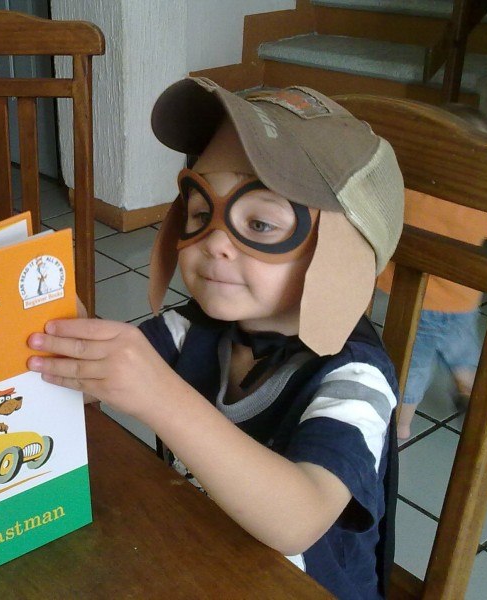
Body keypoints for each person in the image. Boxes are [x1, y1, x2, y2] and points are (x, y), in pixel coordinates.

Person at [27, 78, 405, 598]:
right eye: (202, 212)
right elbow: (92, 384)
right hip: (195, 556)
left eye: (262, 223)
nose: (216, 243)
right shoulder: (191, 330)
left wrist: (161, 395)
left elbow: (301, 516)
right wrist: (63, 330)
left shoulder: (355, 377)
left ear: (342, 253)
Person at [376, 104, 487, 441]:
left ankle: (401, 426)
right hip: (464, 300)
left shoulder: (411, 192)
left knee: (411, 365)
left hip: (418, 302)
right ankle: (468, 389)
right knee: (461, 349)